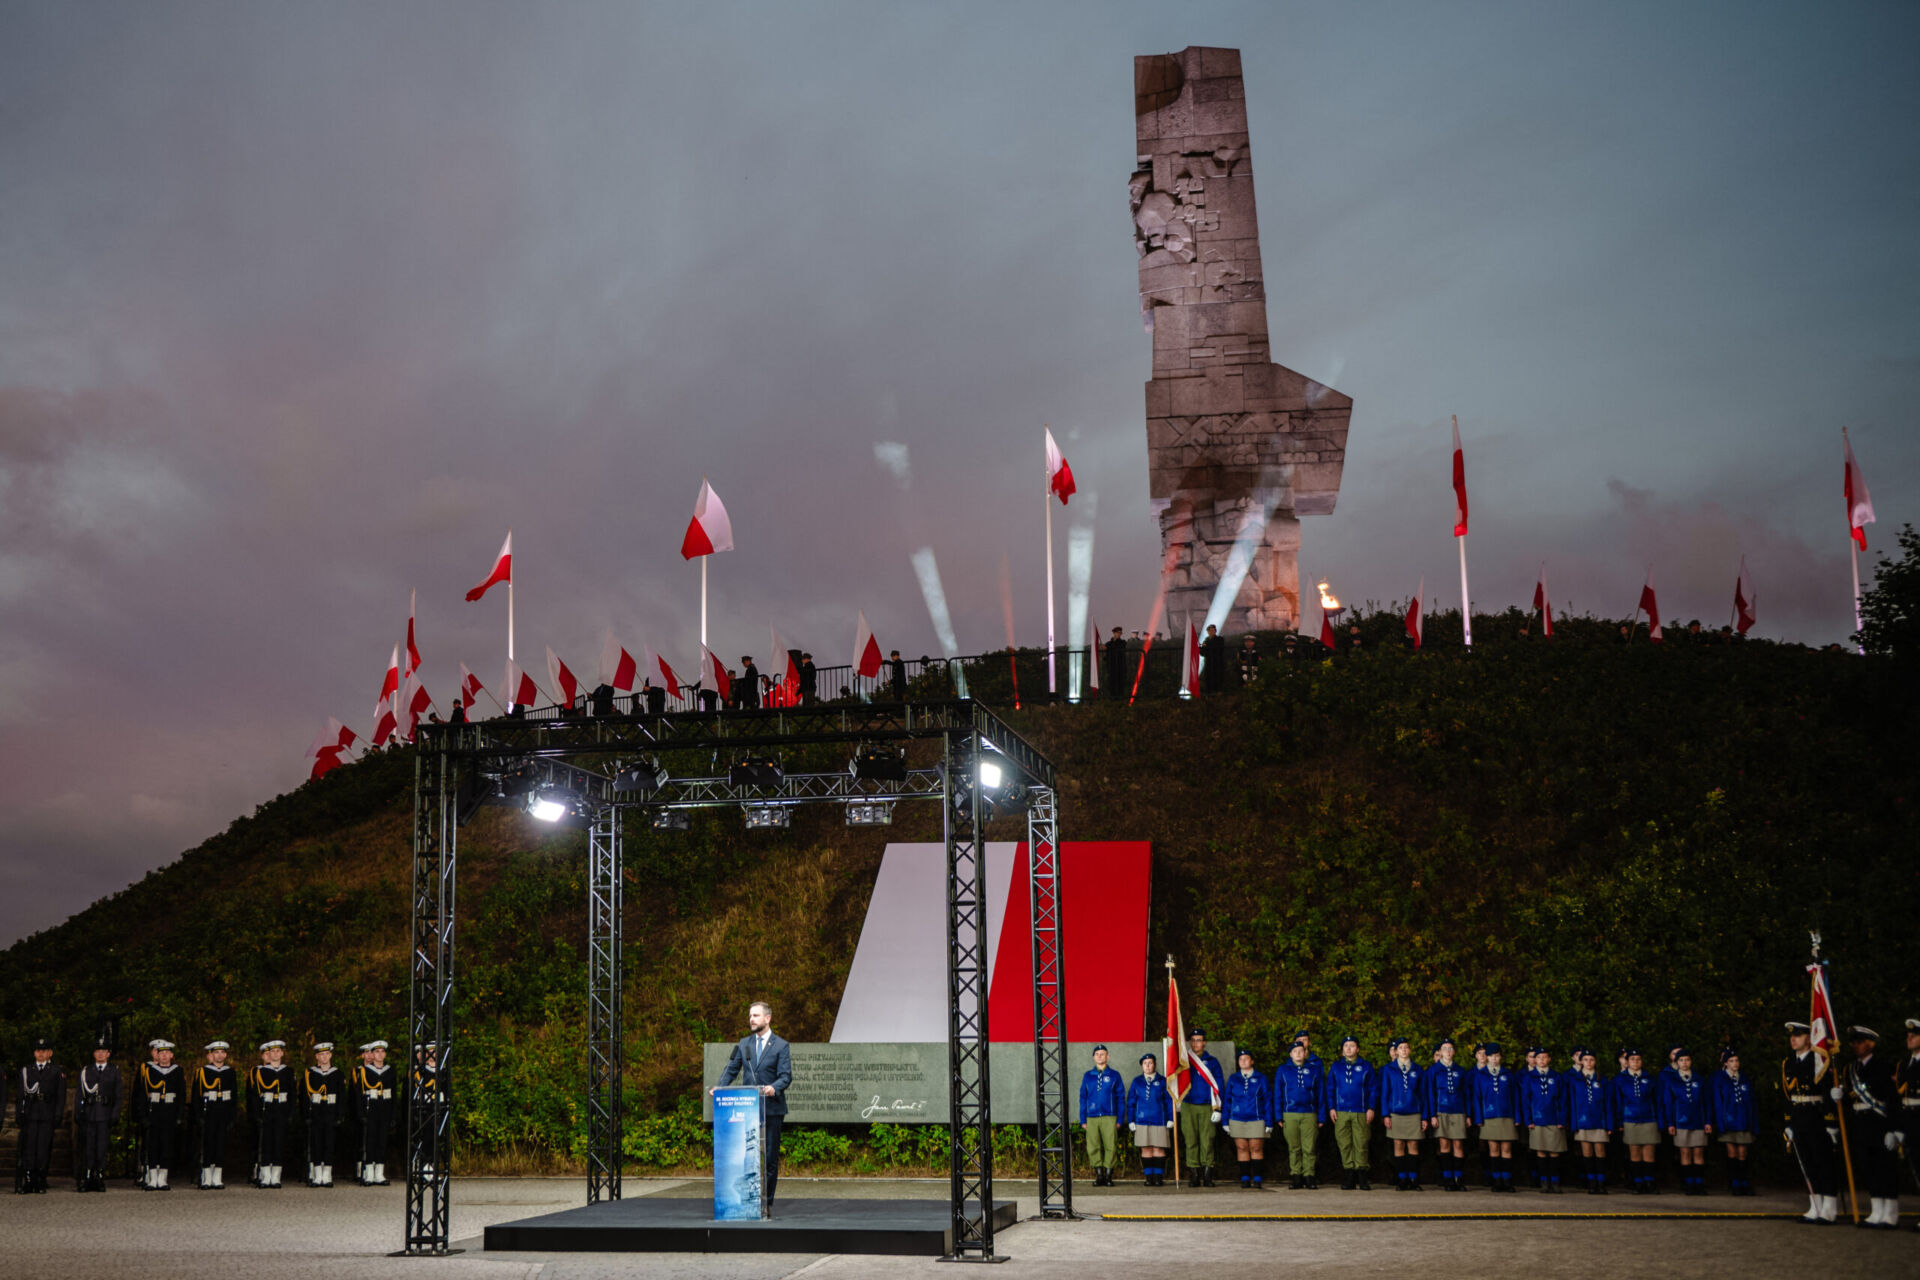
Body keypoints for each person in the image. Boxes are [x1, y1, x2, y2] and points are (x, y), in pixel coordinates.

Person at [713, 1000, 791, 1208]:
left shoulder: (781, 1046)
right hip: (747, 1108)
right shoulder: (744, 1044)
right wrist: (719, 1088)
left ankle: (766, 1202)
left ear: (767, 1018)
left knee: (769, 1159)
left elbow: (786, 1076)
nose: (751, 1019)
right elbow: (732, 1069)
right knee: (746, 1156)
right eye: (750, 1016)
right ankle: (747, 1200)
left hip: (771, 1109)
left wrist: (774, 1087)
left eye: (756, 1015)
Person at [1780, 1020, 1840, 1223]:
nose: (1793, 1039)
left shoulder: (1818, 1060)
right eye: (1792, 1036)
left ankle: (1829, 1208)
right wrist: (1788, 1123)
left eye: (1798, 1035)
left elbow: (1827, 1093)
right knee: (1807, 1163)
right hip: (1798, 1116)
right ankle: (1815, 1206)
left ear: (1809, 1038)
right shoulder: (1789, 1063)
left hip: (1816, 1116)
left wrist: (1831, 1123)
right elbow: (1788, 1095)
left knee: (1823, 1162)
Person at [1845, 1025, 1901, 1228]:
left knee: (1885, 1168)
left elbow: (1892, 1100)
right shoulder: (1852, 1069)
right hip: (1861, 1124)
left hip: (1880, 1123)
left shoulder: (1883, 1067)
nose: (1855, 1046)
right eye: (1854, 1042)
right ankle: (1877, 1210)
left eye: (1859, 1042)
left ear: (1871, 1044)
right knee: (1869, 1168)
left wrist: (1894, 1129)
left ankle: (1891, 1212)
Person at [1326, 1033, 1377, 1190]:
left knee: (1361, 1142)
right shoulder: (1336, 1067)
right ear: (1342, 1051)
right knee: (1344, 1143)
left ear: (1358, 1049)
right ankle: (1349, 1174)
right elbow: (1330, 1088)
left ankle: (1362, 1174)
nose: (1349, 1048)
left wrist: (1371, 1108)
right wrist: (1332, 1107)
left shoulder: (1366, 1066)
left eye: (1352, 1045)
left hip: (1360, 1110)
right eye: (1346, 1046)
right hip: (1341, 1111)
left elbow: (1373, 1089)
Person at [1657, 1045, 1710, 1195]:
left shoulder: (1699, 1079)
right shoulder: (1672, 1080)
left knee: (1698, 1152)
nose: (1684, 1063)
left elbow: (1706, 1102)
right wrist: (1670, 1123)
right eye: (1681, 1060)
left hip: (1698, 1121)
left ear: (1690, 1061)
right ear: (1677, 1062)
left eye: (1687, 1059)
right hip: (1680, 1121)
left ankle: (1699, 1183)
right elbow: (1668, 1103)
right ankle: (1688, 1183)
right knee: (1685, 1152)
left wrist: (1708, 1121)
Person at [13, 1036, 63, 1194]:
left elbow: (60, 1096)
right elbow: (20, 1094)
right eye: (38, 1050)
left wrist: (58, 1115)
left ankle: (40, 1178)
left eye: (44, 1051)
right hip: (30, 1113)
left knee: (43, 1148)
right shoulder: (27, 1070)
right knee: (29, 1147)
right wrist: (19, 1113)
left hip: (47, 1114)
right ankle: (28, 1178)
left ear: (50, 1053)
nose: (40, 1054)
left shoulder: (56, 1071)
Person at [1274, 1040, 1326, 1189]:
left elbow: (1320, 1094)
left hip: (1309, 1113)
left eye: (1301, 1051)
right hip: (1289, 1113)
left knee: (1309, 1148)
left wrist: (1321, 1115)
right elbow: (1278, 1094)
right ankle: (1296, 1176)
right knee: (1294, 1147)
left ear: (1305, 1053)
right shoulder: (1283, 1070)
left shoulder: (1314, 1069)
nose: (1298, 1053)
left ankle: (1309, 1176)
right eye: (1295, 1051)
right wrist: (1278, 1115)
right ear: (1290, 1054)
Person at [74, 1030, 122, 1192]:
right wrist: (78, 1112)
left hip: (105, 1114)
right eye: (98, 1051)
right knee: (88, 1147)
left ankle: (99, 1176)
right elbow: (80, 1093)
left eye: (103, 1051)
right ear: (94, 1053)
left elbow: (118, 1095)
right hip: (89, 1113)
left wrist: (115, 1114)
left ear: (108, 1054)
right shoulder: (86, 1071)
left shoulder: (114, 1071)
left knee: (101, 1146)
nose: (100, 1054)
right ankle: (88, 1176)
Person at [133, 1038, 184, 1190]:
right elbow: (142, 1095)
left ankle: (162, 1178)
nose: (164, 1056)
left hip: (169, 1112)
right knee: (152, 1145)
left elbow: (181, 1095)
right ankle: (151, 1177)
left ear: (171, 1055)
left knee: (166, 1146)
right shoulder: (149, 1071)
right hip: (153, 1112)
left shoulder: (177, 1071)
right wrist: (142, 1115)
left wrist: (179, 1115)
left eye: (167, 1053)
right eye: (161, 1053)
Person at [1177, 1028, 1225, 1187]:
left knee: (1207, 1140)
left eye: (1199, 1040)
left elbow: (1219, 1085)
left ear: (1204, 1042)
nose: (1196, 1043)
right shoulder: (1184, 1060)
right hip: (1188, 1104)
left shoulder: (1212, 1061)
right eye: (1193, 1040)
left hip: (1206, 1106)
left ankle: (1208, 1174)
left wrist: (1217, 1108)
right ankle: (1194, 1175)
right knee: (1190, 1140)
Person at [1424, 1038, 1472, 1191]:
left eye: (1451, 1049)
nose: (1448, 1052)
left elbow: (1466, 1094)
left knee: (1458, 1144)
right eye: (1445, 1049)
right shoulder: (1433, 1070)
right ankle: (1447, 1179)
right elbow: (1430, 1094)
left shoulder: (1460, 1070)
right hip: (1441, 1111)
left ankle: (1458, 1178)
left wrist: (1468, 1114)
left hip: (1458, 1111)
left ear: (1454, 1052)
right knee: (1444, 1145)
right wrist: (1432, 1115)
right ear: (1440, 1052)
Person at [1379, 1038, 1428, 1191]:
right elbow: (1385, 1093)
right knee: (1398, 1144)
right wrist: (1385, 1114)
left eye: (1406, 1047)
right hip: (1396, 1112)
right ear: (1396, 1051)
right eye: (1401, 1048)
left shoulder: (1418, 1069)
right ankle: (1401, 1178)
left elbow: (1423, 1094)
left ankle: (1413, 1178)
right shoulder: (1389, 1069)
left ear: (1410, 1050)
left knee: (1413, 1145)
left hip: (1414, 1112)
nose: (1404, 1050)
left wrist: (1425, 1116)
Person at [1471, 1043, 1520, 1192]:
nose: (1494, 1059)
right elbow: (1476, 1098)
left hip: (1506, 1116)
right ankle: (1496, 1180)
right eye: (1491, 1056)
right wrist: (1478, 1118)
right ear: (1487, 1057)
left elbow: (1515, 1097)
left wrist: (1517, 1117)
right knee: (1493, 1149)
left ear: (1500, 1057)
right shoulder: (1481, 1075)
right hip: (1489, 1116)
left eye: (1497, 1056)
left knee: (1506, 1148)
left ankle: (1507, 1180)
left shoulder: (1508, 1074)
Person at [1709, 1047, 1757, 1196]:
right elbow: (1717, 1102)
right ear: (1725, 1063)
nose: (1735, 1063)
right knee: (1732, 1152)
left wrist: (1753, 1122)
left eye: (1736, 1060)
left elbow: (1751, 1102)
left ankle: (1744, 1181)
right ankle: (1734, 1182)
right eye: (1731, 1061)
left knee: (1743, 1152)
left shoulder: (1744, 1078)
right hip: (1728, 1121)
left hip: (1743, 1120)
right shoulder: (1720, 1079)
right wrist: (1720, 1123)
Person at [1222, 1049, 1272, 1189]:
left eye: (1246, 1058)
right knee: (1241, 1147)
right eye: (1240, 1059)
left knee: (1255, 1147)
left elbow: (1268, 1100)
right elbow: (1227, 1100)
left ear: (1252, 1061)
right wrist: (1225, 1120)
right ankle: (1244, 1177)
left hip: (1256, 1118)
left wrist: (1269, 1121)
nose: (1243, 1061)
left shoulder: (1261, 1078)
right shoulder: (1233, 1079)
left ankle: (1257, 1178)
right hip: (1237, 1118)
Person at [1567, 1047, 1615, 1195]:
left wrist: (1609, 1124)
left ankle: (1601, 1182)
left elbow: (1608, 1103)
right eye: (1586, 1060)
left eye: (1591, 1060)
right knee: (1586, 1153)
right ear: (1581, 1061)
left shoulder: (1602, 1079)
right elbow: (1572, 1104)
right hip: (1583, 1122)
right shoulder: (1575, 1080)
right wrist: (1574, 1124)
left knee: (1600, 1152)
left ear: (1595, 1061)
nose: (1588, 1062)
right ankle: (1591, 1183)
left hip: (1599, 1121)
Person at [1613, 1047, 1659, 1194]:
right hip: (1630, 1118)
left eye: (1638, 1059)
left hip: (1648, 1118)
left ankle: (1649, 1182)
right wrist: (1620, 1121)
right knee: (1634, 1152)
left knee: (1649, 1152)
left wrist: (1659, 1119)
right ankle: (1637, 1182)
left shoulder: (1650, 1078)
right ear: (1627, 1062)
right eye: (1632, 1059)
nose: (1635, 1062)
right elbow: (1618, 1102)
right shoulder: (1620, 1079)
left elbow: (1657, 1100)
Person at [1078, 1045, 1126, 1187]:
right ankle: (1099, 1175)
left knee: (1110, 1145)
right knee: (1093, 1146)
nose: (1099, 1056)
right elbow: (1083, 1097)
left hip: (1109, 1116)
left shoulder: (1114, 1075)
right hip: (1091, 1116)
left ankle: (1109, 1175)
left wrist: (1120, 1117)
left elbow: (1120, 1097)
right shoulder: (1088, 1076)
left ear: (1108, 1057)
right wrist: (1083, 1118)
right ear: (1094, 1057)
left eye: (1102, 1054)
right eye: (1097, 1054)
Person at [192, 1040, 237, 1190]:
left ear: (225, 1054)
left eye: (222, 1052)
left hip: (223, 1112)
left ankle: (217, 1177)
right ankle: (206, 1176)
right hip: (208, 1112)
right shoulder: (202, 1072)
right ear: (211, 1055)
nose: (219, 1055)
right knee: (208, 1144)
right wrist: (198, 1115)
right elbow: (196, 1096)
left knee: (220, 1145)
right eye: (216, 1052)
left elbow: (234, 1097)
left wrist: (232, 1116)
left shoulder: (230, 1072)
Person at [351, 1040, 397, 1186]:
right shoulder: (364, 1071)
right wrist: (360, 1113)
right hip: (370, 1110)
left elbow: (394, 1095)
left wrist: (393, 1115)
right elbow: (359, 1095)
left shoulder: (390, 1071)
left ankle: (379, 1173)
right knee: (370, 1142)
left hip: (385, 1110)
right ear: (372, 1054)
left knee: (382, 1142)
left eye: (382, 1052)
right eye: (376, 1052)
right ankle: (369, 1173)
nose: (380, 1054)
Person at [250, 1039, 295, 1188]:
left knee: (278, 1143)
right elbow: (256, 1095)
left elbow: (292, 1094)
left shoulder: (288, 1071)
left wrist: (290, 1112)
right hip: (267, 1110)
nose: (275, 1054)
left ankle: (276, 1177)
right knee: (266, 1143)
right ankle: (265, 1176)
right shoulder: (260, 1071)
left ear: (282, 1053)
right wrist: (257, 1114)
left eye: (278, 1051)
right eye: (272, 1051)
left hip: (281, 1110)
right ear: (268, 1054)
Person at [302, 1040, 346, 1187]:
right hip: (316, 1113)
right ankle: (316, 1175)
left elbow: (342, 1097)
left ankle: (327, 1175)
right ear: (317, 1057)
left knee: (329, 1144)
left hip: (331, 1112)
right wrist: (306, 1115)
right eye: (321, 1054)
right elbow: (303, 1096)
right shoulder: (310, 1074)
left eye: (327, 1054)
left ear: (331, 1055)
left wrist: (339, 1115)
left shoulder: (338, 1074)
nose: (324, 1057)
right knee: (316, 1143)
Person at [1126, 1053, 1175, 1186]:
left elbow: (1169, 1101)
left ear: (1155, 1064)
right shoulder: (1137, 1082)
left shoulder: (1163, 1081)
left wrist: (1171, 1118)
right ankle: (1149, 1177)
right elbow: (1131, 1102)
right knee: (1146, 1149)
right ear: (1142, 1066)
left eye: (1150, 1063)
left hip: (1159, 1119)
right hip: (1141, 1120)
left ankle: (1158, 1177)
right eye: (1145, 1063)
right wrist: (1131, 1120)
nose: (1148, 1066)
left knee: (1159, 1148)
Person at [1900, 1018, 1920, 1233]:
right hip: (1911, 1124)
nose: (1910, 1037)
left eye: (1914, 1035)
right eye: (1908, 1034)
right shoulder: (1905, 1065)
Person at [1200, 625, 1227, 694]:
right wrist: (1201, 648)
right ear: (1208, 632)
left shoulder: (1219, 639)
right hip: (1209, 662)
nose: (1211, 632)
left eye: (1213, 630)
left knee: (1218, 676)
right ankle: (1209, 692)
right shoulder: (1206, 640)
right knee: (1208, 677)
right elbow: (1203, 653)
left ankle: (1218, 691)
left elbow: (1218, 647)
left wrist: (1206, 646)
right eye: (1210, 630)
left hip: (1217, 662)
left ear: (1215, 631)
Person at [1104, 628, 1129, 696]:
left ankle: (1120, 696)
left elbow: (1118, 647)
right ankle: (1113, 696)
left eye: (1120, 633)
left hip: (1120, 665)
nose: (1119, 634)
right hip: (1111, 665)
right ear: (1114, 633)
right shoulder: (1109, 643)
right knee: (1112, 681)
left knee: (1120, 681)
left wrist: (1108, 648)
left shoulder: (1122, 642)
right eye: (1118, 632)